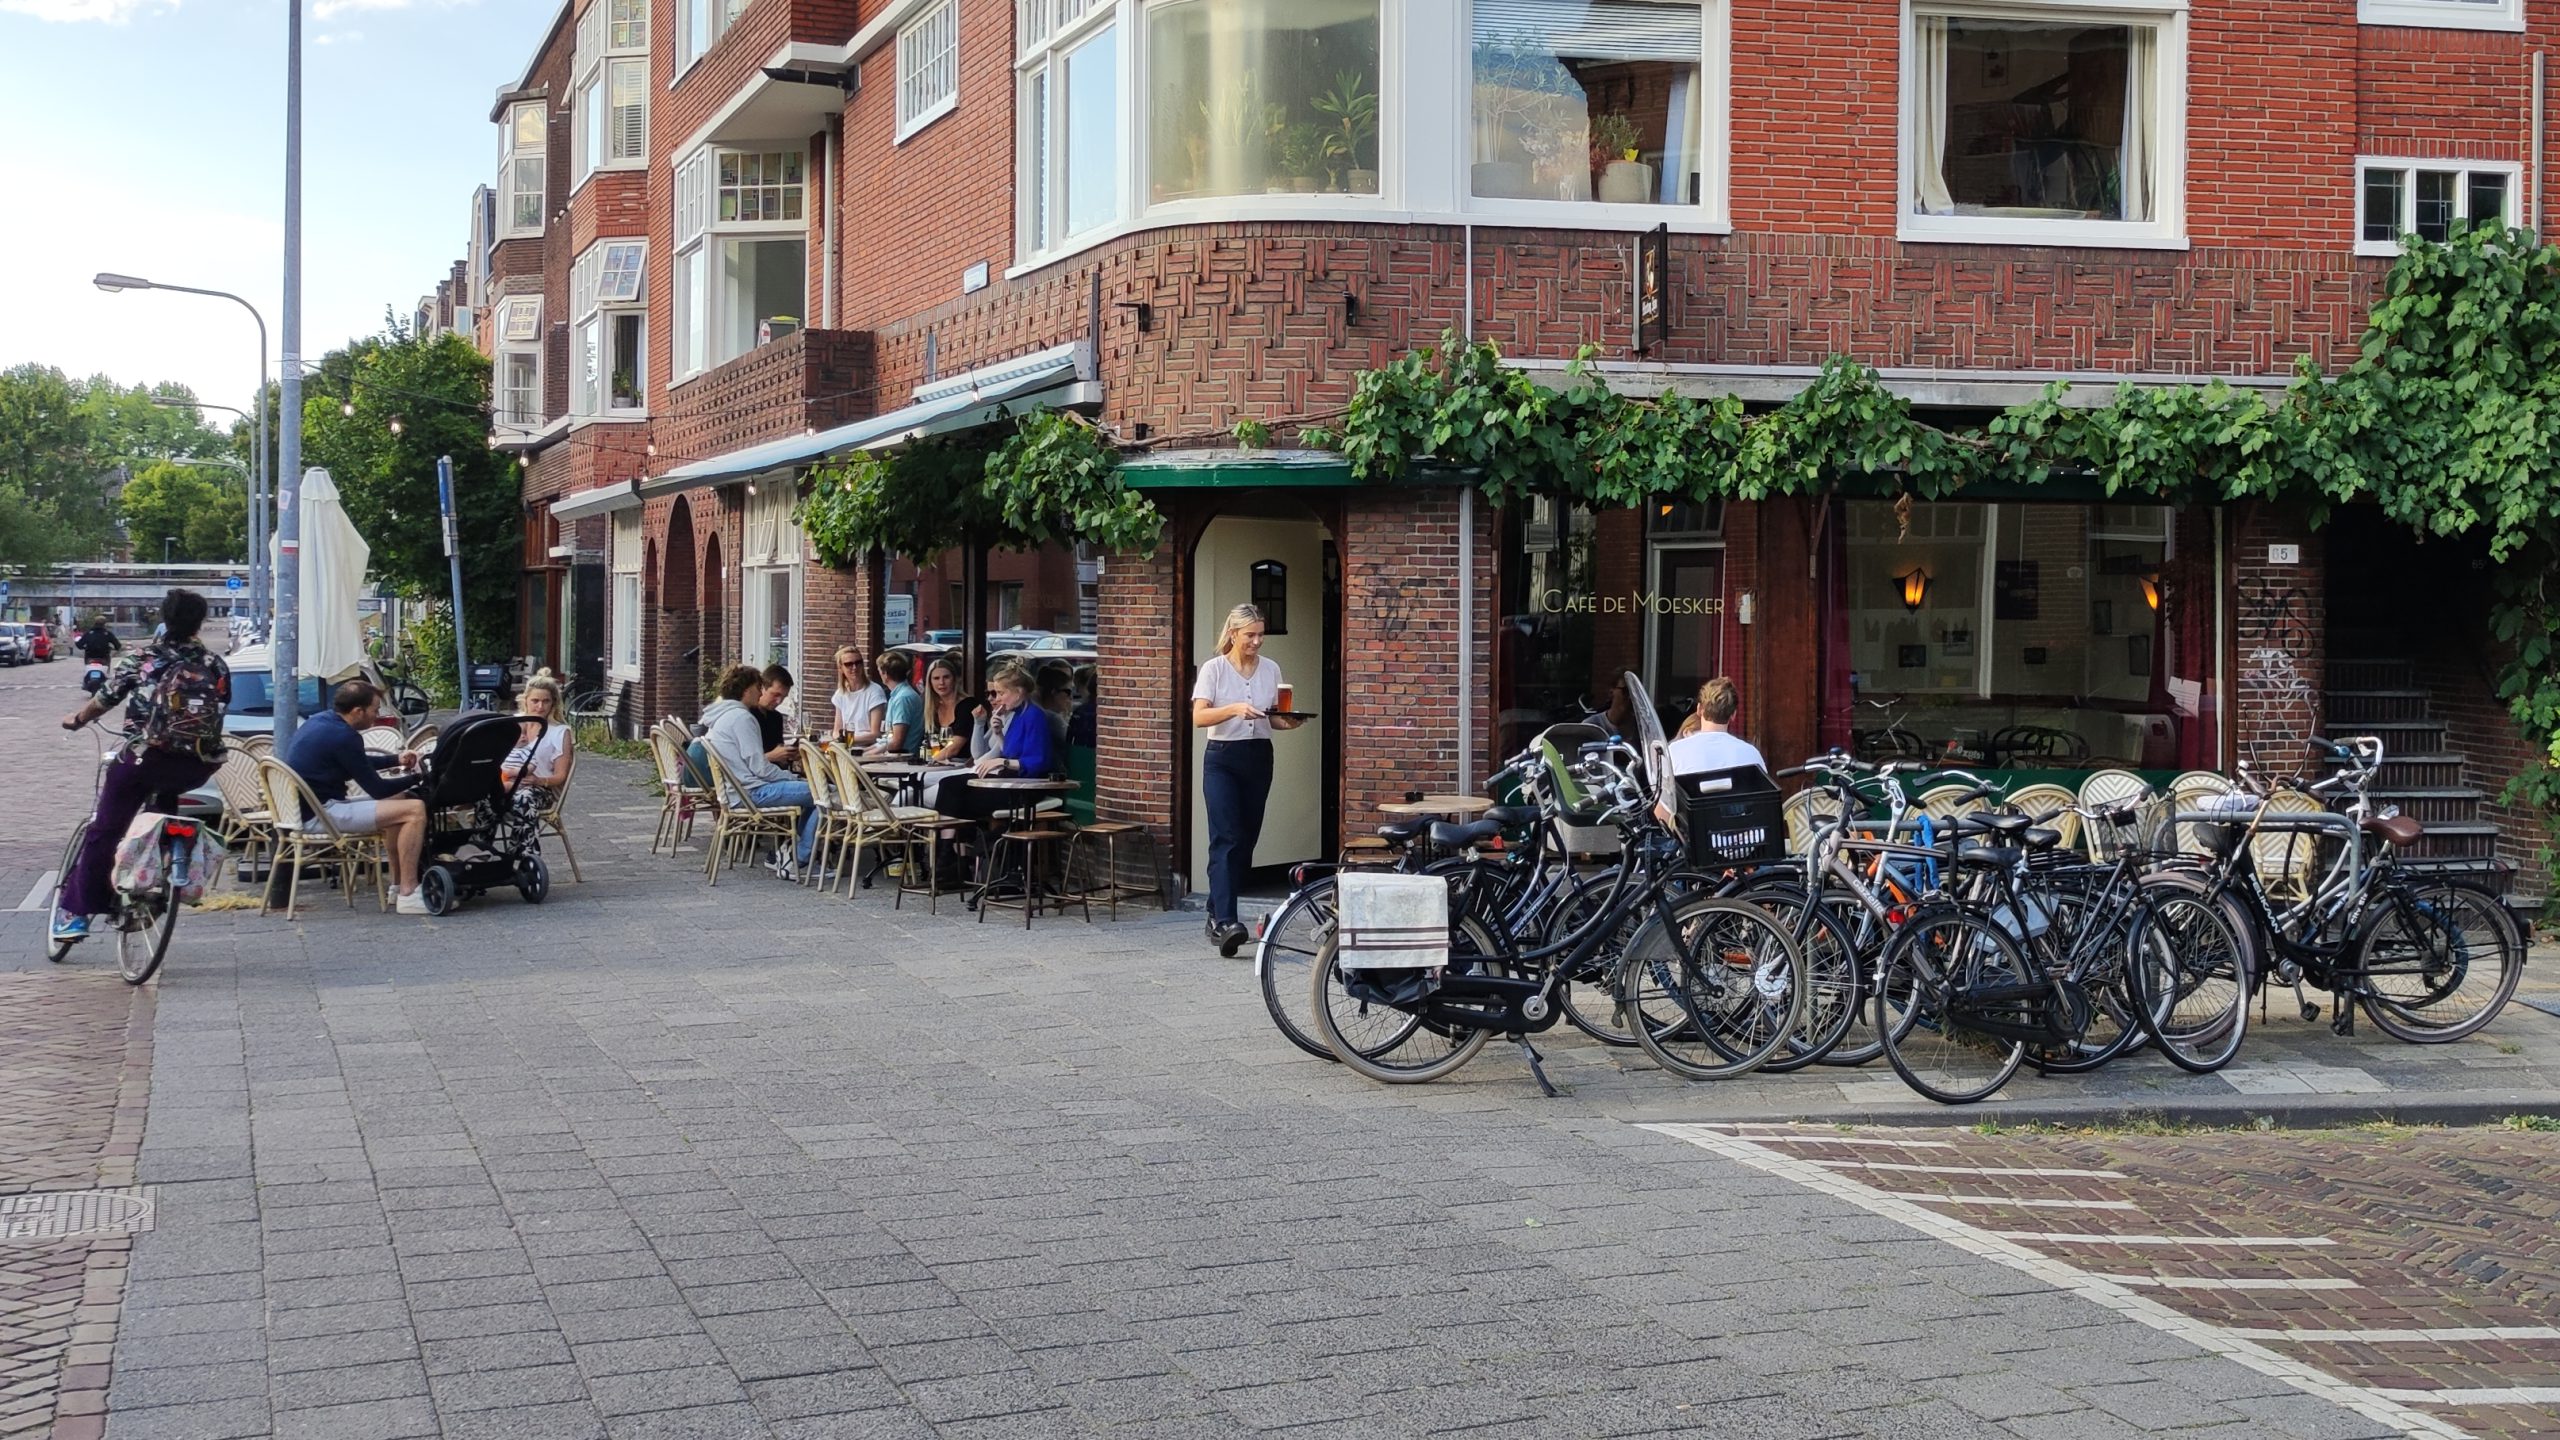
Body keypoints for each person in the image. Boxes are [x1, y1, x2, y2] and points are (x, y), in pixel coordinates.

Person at [52, 589, 231, 944]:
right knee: (163, 810)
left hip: (144, 758)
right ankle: (155, 887)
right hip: (196, 765)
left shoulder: (144, 658)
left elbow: (105, 698)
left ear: (164, 618)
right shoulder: (215, 665)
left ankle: (76, 913)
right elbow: (221, 706)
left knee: (106, 829)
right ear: (200, 623)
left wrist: (78, 719)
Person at [1190, 602, 1304, 955]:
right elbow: (1200, 717)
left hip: (1258, 755)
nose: (1257, 641)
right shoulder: (1215, 669)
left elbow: (1273, 719)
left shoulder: (1270, 669)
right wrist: (1234, 708)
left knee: (1245, 840)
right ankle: (1227, 921)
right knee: (1226, 835)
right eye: (1250, 635)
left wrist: (1290, 721)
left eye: (1260, 635)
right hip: (1222, 758)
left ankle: (1214, 912)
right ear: (1234, 633)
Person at [279, 679, 434, 913]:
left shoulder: (321, 722)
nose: (377, 715)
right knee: (415, 810)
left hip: (310, 807)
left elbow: (356, 762)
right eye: (374, 710)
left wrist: (396, 760)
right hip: (321, 814)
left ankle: (396, 885)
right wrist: (420, 778)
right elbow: (378, 790)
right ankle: (409, 893)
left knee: (399, 800)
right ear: (357, 711)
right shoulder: (345, 737)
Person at [701, 664, 819, 879]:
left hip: (735, 791)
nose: (760, 691)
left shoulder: (722, 716)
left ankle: (791, 853)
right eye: (758, 687)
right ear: (747, 690)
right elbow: (759, 768)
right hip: (751, 792)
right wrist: (791, 777)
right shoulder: (742, 718)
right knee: (824, 793)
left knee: (820, 791)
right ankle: (797, 860)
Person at [1658, 677, 1769, 827]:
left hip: (1693, 845)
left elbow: (1663, 815)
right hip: (1743, 846)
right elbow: (1763, 807)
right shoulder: (1751, 754)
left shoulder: (1675, 752)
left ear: (1699, 709)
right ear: (1733, 715)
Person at [505, 669, 577, 815]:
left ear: (553, 703)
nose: (540, 707)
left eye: (546, 701)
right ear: (525, 700)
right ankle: (477, 836)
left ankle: (522, 839)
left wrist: (538, 781)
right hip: (508, 782)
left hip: (540, 789)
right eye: (535, 701)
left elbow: (560, 776)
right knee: (483, 796)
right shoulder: (513, 723)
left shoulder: (559, 732)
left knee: (524, 799)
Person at [866, 650, 924, 758]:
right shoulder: (898, 695)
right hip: (893, 758)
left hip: (902, 763)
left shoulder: (903, 698)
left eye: (879, 670)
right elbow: (888, 740)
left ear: (885, 674)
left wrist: (866, 756)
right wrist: (863, 752)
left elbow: (896, 743)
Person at [829, 647, 887, 747]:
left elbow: (875, 734)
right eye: (849, 664)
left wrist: (847, 740)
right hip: (845, 748)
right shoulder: (840, 694)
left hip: (868, 749)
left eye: (858, 662)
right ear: (840, 668)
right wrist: (840, 740)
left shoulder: (874, 691)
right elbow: (837, 730)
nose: (854, 667)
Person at [754, 664, 799, 766]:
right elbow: (742, 762)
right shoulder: (747, 716)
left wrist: (788, 755)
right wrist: (771, 756)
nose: (779, 701)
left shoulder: (776, 717)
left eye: (783, 697)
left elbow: (778, 753)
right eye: (775, 695)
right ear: (762, 688)